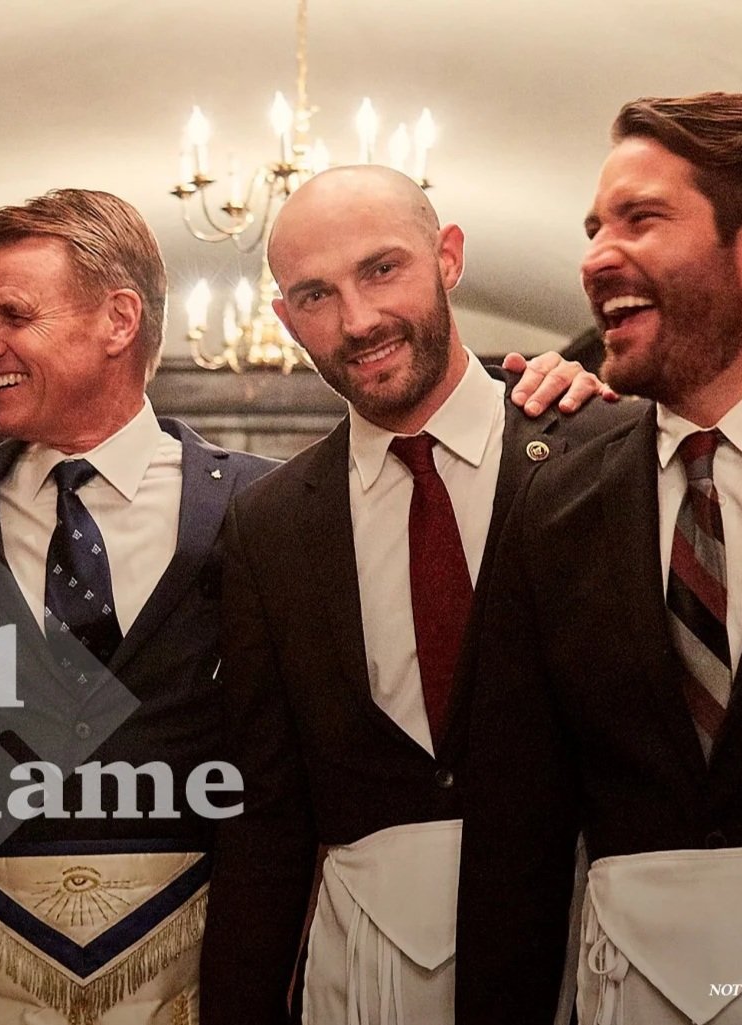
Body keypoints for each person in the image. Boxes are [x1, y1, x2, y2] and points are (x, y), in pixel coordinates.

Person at [0, 188, 599, 1025]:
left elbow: (271, 778)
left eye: (11, 315)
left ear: (117, 321)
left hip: (200, 956)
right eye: (314, 292)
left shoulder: (255, 509)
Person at [455, 92, 742, 1025]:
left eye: (640, 219)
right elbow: (519, 834)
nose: (595, 256)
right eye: (593, 226)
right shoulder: (556, 502)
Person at [197, 165, 627, 1024]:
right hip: (362, 972)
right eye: (315, 295)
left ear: (448, 257)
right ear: (284, 320)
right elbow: (264, 823)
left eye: (381, 269)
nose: (357, 320)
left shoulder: (603, 448)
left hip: (583, 952)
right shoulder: (268, 523)